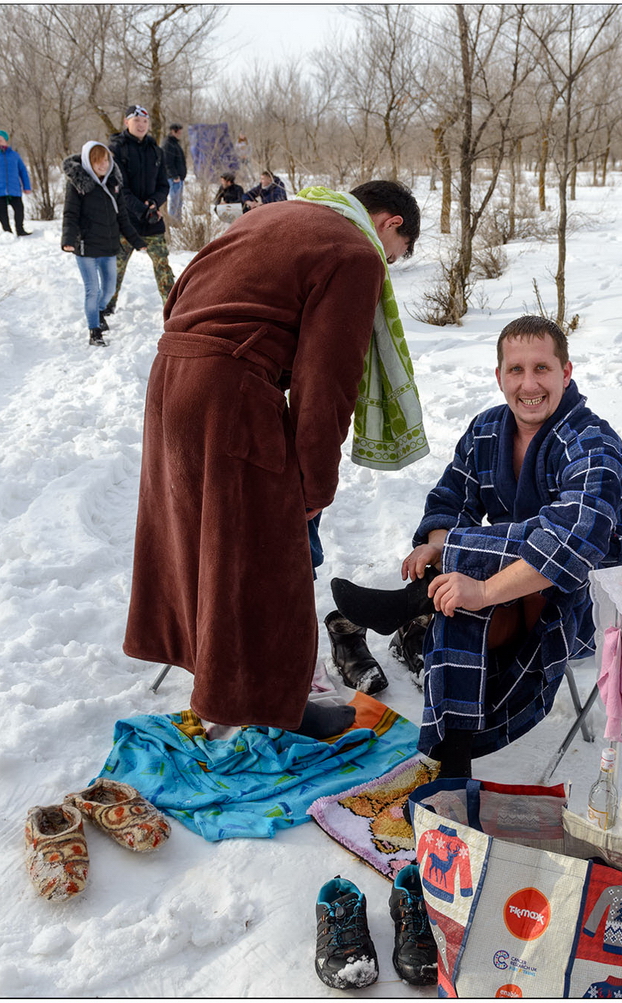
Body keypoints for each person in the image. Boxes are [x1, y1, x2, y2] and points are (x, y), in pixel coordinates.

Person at [124, 180, 422, 742]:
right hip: (229, 390)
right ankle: (276, 705)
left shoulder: (274, 216)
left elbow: (181, 293)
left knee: (208, 540)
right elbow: (327, 380)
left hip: (171, 377)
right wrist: (314, 485)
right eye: (394, 256)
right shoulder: (355, 251)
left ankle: (217, 674)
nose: (385, 266)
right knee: (272, 554)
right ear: (390, 224)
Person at [330, 317, 622, 778]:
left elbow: (575, 541)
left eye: (542, 368)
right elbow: (450, 497)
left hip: (582, 602)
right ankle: (454, 771)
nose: (528, 384)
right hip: (513, 585)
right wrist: (438, 545)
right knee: (456, 597)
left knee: (497, 570)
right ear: (499, 376)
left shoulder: (594, 445)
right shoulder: (487, 429)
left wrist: (482, 585)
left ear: (566, 372)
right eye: (516, 370)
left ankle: (414, 603)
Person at [62, 141, 149, 347]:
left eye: (105, 160)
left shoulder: (113, 184)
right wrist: (68, 239)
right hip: (86, 247)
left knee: (109, 290)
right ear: (88, 162)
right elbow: (70, 214)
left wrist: (137, 241)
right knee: (92, 290)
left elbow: (123, 218)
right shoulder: (77, 185)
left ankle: (99, 312)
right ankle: (94, 331)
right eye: (97, 161)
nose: (102, 165)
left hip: (108, 247)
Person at [104, 104, 174, 315]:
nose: (141, 125)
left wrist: (154, 203)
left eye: (145, 121)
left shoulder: (156, 151)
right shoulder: (116, 149)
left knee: (163, 265)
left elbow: (164, 185)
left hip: (152, 220)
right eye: (136, 121)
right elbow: (119, 188)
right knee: (115, 268)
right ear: (127, 122)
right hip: (125, 222)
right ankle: (105, 306)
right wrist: (142, 210)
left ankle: (173, 306)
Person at [0, 129, 33, 236]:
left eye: (0, 140)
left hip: (14, 187)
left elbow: (23, 171)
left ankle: (20, 229)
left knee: (19, 208)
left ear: (6, 141)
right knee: (2, 211)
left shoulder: (14, 155)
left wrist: (27, 186)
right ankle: (7, 232)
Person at [165, 123, 188, 218]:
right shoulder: (168, 144)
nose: (180, 134)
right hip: (174, 178)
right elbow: (167, 162)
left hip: (179, 177)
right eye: (178, 132)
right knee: (174, 202)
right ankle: (173, 221)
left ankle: (177, 221)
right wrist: (174, 176)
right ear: (173, 132)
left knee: (179, 202)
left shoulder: (175, 144)